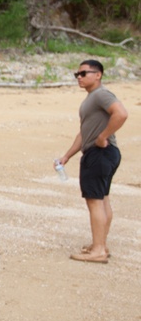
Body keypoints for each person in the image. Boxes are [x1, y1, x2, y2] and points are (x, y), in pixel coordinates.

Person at [56, 60, 128, 264]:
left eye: (84, 73)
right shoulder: (92, 99)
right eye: (77, 74)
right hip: (103, 153)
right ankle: (100, 244)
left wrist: (103, 136)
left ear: (98, 75)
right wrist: (67, 155)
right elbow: (84, 131)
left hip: (101, 153)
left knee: (95, 201)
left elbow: (121, 114)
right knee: (102, 199)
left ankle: (98, 250)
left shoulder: (101, 94)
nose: (79, 77)